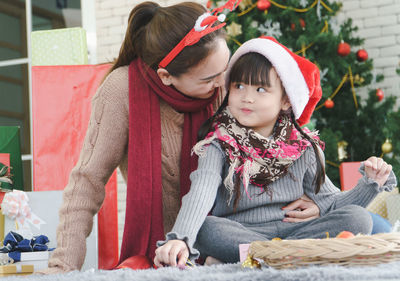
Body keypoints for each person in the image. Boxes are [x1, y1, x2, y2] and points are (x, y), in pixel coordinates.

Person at [40, 0, 317, 273]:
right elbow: (87, 182)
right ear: (166, 76)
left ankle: (267, 252)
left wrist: (313, 197)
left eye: (225, 72)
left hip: (227, 239)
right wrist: (62, 267)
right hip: (161, 250)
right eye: (209, 79)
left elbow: (276, 145)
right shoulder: (121, 91)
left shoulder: (223, 89)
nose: (224, 85)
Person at [154, 37, 397, 267]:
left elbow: (330, 203)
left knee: (357, 218)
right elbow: (201, 191)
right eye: (238, 86)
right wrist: (181, 238)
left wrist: (371, 184)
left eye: (260, 90)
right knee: (207, 229)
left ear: (286, 101)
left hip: (296, 231)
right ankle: (287, 256)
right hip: (243, 232)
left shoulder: (305, 148)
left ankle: (259, 257)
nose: (246, 98)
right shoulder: (218, 144)